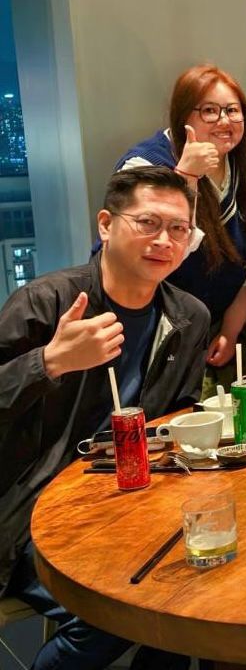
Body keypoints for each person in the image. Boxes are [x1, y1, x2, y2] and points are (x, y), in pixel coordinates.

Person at [0, 167, 211, 670]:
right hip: (35, 508)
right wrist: (49, 363)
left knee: (198, 581)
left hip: (133, 499)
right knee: (112, 615)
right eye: (148, 223)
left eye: (178, 229)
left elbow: (175, 419)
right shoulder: (49, 302)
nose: (164, 240)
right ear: (105, 225)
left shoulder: (188, 317)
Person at [113, 64, 246, 394]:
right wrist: (185, 177)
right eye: (209, 111)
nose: (224, 121)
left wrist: (232, 325)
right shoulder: (143, 166)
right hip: (152, 331)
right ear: (182, 115)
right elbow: (155, 249)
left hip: (224, 325)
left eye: (233, 110)